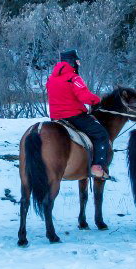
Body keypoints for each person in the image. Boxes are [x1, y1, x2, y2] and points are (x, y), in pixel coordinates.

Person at [47, 49, 111, 180]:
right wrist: (98, 100)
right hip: (74, 116)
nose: (78, 64)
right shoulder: (73, 78)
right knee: (101, 134)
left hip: (56, 117)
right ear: (71, 62)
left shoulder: (51, 78)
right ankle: (97, 167)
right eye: (77, 61)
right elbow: (85, 96)